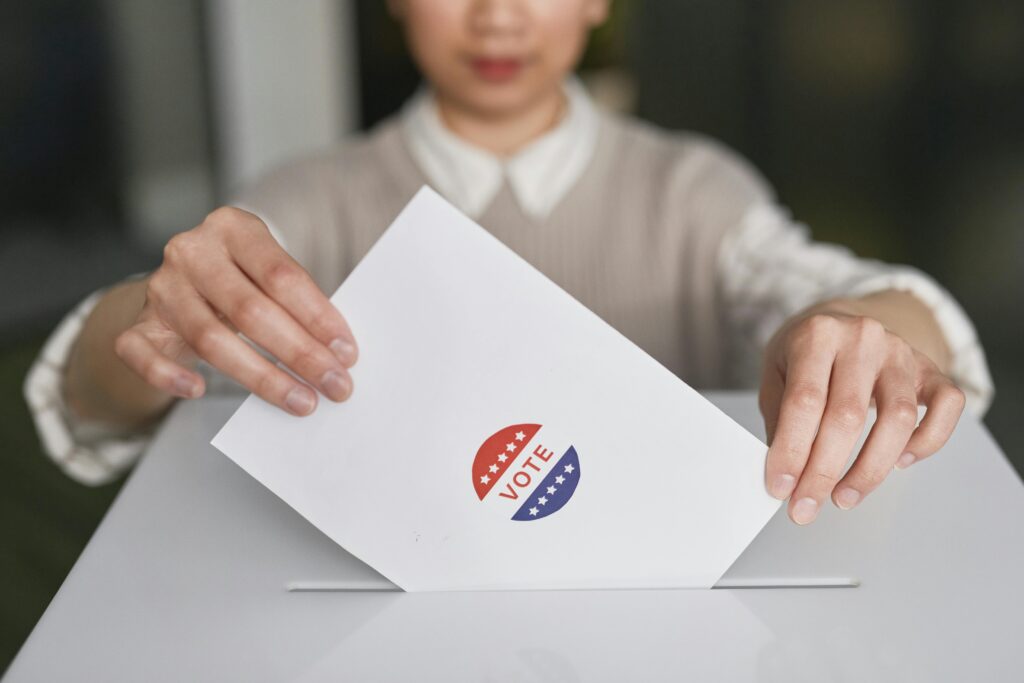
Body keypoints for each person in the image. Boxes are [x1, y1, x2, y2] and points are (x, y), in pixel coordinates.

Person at [25, 0, 992, 526]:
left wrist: (865, 337)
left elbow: (831, 291)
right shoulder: (307, 198)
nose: (497, 17)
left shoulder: (692, 187)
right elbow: (87, 401)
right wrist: (149, 321)